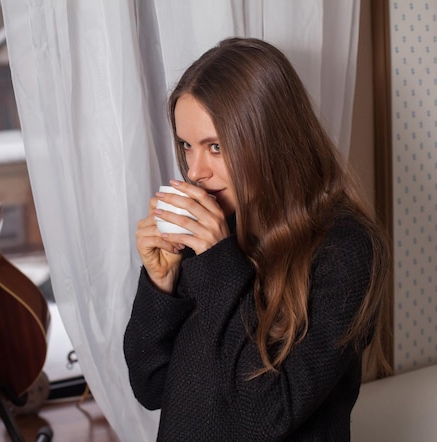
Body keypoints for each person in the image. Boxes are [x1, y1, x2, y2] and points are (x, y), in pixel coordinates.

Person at [123, 37, 392, 441]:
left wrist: (219, 264)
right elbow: (152, 386)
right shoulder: (216, 233)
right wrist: (159, 286)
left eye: (215, 146)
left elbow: (265, 415)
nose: (195, 172)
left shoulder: (345, 250)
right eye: (186, 146)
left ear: (270, 139)